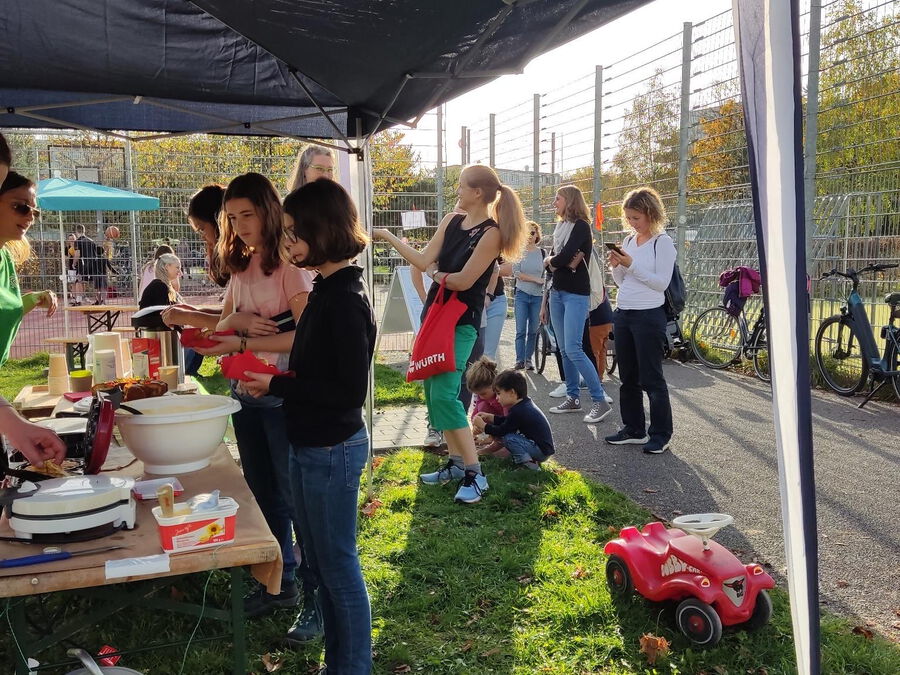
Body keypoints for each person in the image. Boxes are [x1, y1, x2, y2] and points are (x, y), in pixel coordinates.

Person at [242, 178, 374, 670]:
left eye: (295, 232)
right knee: (318, 561)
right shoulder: (325, 288)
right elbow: (316, 368)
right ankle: (339, 660)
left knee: (337, 566)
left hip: (331, 448)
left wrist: (276, 386)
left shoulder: (344, 298)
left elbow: (345, 391)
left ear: (323, 230)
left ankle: (352, 665)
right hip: (309, 442)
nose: (288, 241)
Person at [192, 173, 317, 625]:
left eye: (248, 214)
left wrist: (244, 341)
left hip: (282, 398)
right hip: (245, 394)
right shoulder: (241, 266)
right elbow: (223, 327)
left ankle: (310, 592)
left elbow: (306, 339)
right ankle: (278, 581)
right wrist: (241, 318)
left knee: (290, 493)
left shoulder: (292, 267)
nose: (241, 225)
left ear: (269, 209)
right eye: (232, 217)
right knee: (262, 492)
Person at [376, 165, 526, 504]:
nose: (457, 190)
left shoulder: (492, 233)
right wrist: (387, 236)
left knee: (445, 393)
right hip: (436, 315)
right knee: (433, 391)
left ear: (477, 193)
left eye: (461, 186)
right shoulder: (451, 221)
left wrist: (434, 271)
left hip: (462, 321)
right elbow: (423, 258)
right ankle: (457, 465)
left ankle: (476, 475)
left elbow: (462, 280)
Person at [0, 165, 66, 469]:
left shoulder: (5, 255)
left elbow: (5, 305)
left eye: (33, 211)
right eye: (20, 207)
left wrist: (31, 300)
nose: (29, 216)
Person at [605, 186, 675, 455]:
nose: (632, 223)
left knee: (652, 378)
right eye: (629, 218)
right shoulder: (629, 241)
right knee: (628, 377)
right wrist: (617, 268)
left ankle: (660, 434)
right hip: (624, 312)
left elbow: (660, 283)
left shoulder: (662, 242)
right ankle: (633, 428)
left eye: (637, 217)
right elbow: (624, 282)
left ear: (650, 214)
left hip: (649, 315)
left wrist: (631, 265)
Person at [544, 186, 611, 424]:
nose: (554, 203)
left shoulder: (581, 226)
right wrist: (554, 261)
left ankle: (599, 399)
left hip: (575, 294)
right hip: (557, 292)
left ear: (570, 201)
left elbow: (560, 258)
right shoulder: (560, 227)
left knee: (573, 348)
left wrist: (552, 260)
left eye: (558, 199)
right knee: (563, 349)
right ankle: (572, 397)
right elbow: (556, 261)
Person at [472, 369, 554, 472]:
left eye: (499, 393)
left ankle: (527, 465)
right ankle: (528, 461)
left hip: (541, 451)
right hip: (542, 448)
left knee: (508, 438)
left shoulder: (519, 411)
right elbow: (508, 421)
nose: (497, 398)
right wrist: (491, 417)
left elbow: (502, 430)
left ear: (512, 392)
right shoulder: (523, 405)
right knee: (509, 436)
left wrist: (484, 426)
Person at [509, 221, 544, 370]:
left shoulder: (543, 253)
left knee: (533, 330)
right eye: (527, 233)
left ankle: (528, 359)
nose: (529, 236)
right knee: (521, 329)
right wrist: (536, 279)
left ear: (537, 235)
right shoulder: (519, 253)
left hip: (538, 296)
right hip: (522, 294)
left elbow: (547, 273)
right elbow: (517, 273)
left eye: (532, 233)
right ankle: (519, 359)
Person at [72, 223, 115, 305]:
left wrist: (74, 263)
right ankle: (98, 300)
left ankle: (78, 300)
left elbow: (77, 253)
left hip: (83, 264)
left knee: (78, 281)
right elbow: (96, 254)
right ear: (84, 231)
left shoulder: (78, 241)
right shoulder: (92, 241)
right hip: (93, 265)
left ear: (76, 232)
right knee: (95, 283)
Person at [65, 233, 85, 305]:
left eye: (73, 239)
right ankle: (74, 298)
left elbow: (80, 254)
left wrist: (75, 256)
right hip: (71, 267)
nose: (72, 240)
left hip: (79, 266)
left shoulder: (78, 245)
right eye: (70, 239)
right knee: (72, 283)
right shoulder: (67, 248)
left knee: (79, 282)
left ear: (75, 239)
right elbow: (65, 257)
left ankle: (80, 298)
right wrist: (70, 255)